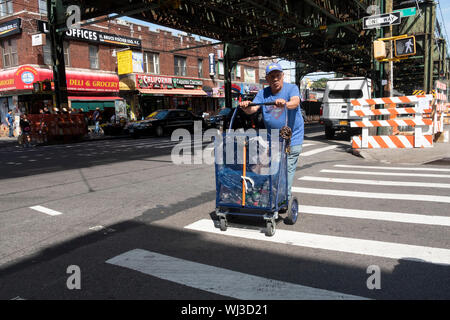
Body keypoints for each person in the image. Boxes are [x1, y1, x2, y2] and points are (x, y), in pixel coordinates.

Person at [239, 62, 304, 202]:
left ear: (282, 76)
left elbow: (295, 102)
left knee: (285, 172)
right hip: (273, 140)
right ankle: (265, 197)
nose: (275, 79)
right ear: (267, 79)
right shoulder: (263, 93)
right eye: (272, 76)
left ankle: (283, 201)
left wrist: (285, 103)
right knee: (264, 168)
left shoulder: (291, 88)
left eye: (277, 76)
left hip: (291, 139)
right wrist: (246, 106)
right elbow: (253, 109)